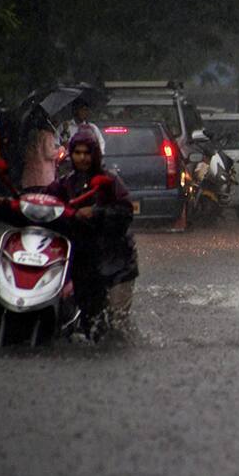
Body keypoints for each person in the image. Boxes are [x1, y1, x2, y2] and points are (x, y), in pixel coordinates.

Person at [45, 129, 138, 335]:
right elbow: (44, 205)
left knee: (116, 323)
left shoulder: (110, 182)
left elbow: (125, 212)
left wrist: (96, 212)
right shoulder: (64, 184)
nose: (82, 158)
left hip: (118, 262)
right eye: (77, 153)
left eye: (87, 153)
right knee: (91, 321)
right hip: (85, 264)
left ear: (95, 154)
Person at [20, 109, 63, 191]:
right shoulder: (47, 135)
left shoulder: (31, 135)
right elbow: (49, 153)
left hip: (29, 178)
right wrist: (61, 149)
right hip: (44, 177)